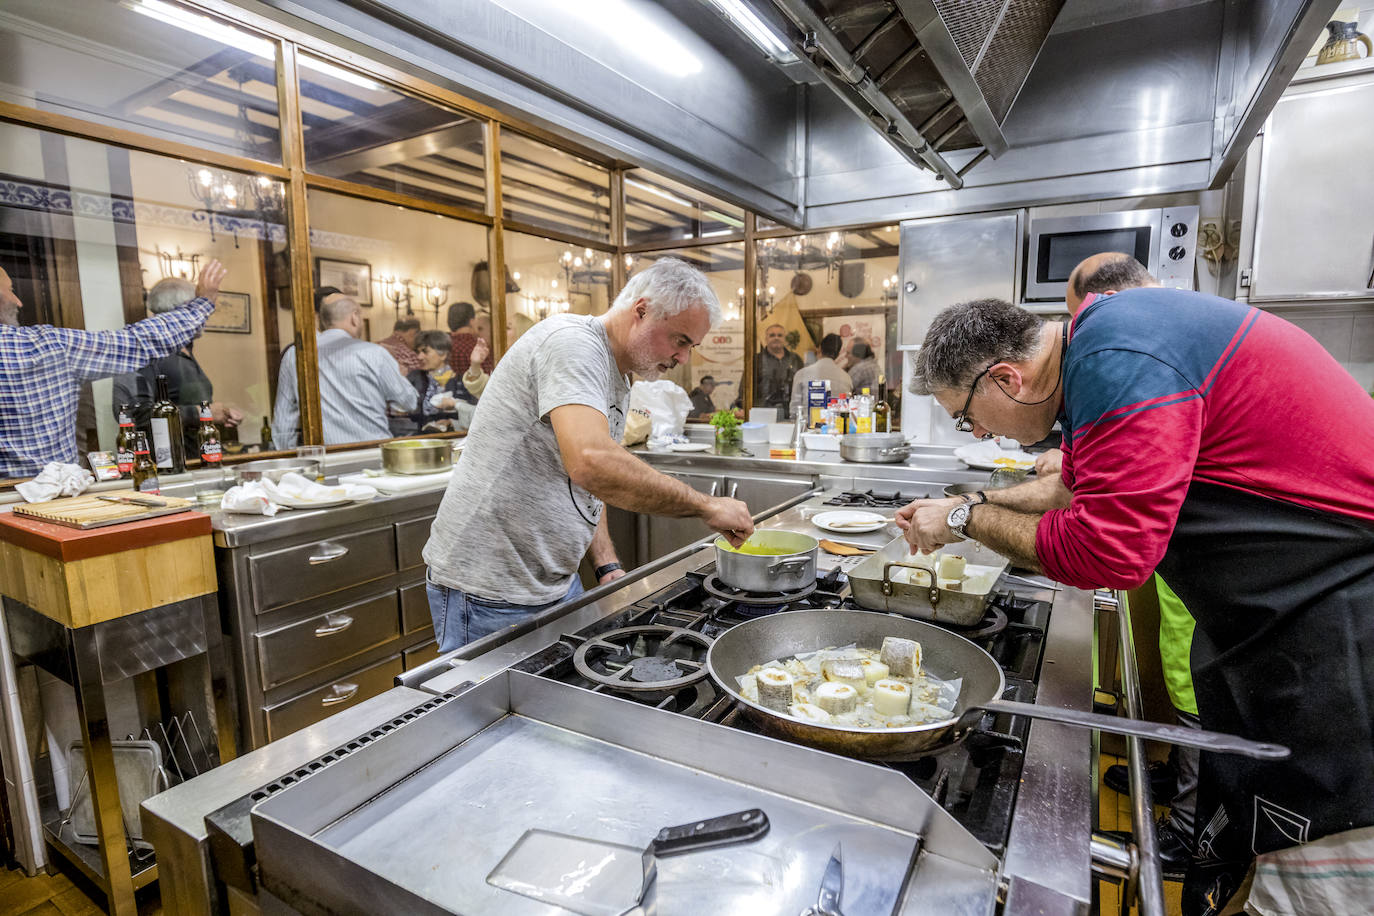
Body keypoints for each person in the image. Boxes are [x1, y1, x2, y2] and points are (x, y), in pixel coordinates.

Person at [894, 290, 1374, 915]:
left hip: (1342, 630)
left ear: (1006, 379)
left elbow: (1107, 554)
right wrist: (967, 506)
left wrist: (964, 518)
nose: (980, 433)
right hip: (1283, 612)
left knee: (1319, 893)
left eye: (967, 417)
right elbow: (1071, 491)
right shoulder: (1102, 344)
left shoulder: (1118, 357)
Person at [423, 257, 755, 651]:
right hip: (490, 589)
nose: (683, 358)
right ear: (642, 310)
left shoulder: (618, 372)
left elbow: (585, 482)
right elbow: (591, 462)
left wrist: (606, 563)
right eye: (680, 341)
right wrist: (706, 506)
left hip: (554, 582)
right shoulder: (573, 345)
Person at [0, 260, 226, 478]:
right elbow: (136, 343)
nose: (18, 302)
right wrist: (203, 303)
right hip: (50, 497)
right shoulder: (42, 347)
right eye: (11, 290)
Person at [111, 277, 244, 456]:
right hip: (168, 465)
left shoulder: (185, 349)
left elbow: (187, 404)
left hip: (200, 459)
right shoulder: (146, 351)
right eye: (198, 308)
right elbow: (133, 415)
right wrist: (202, 413)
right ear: (179, 311)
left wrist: (221, 414)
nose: (205, 316)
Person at [271, 296, 418, 446]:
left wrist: (289, 454)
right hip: (372, 450)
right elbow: (409, 402)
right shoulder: (374, 353)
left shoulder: (294, 355)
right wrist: (398, 376)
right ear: (354, 317)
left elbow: (283, 419)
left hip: (325, 454)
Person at [403, 330, 485, 433]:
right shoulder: (414, 378)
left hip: (455, 436)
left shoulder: (462, 381)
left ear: (443, 355)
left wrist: (452, 422)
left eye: (425, 351)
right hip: (422, 435)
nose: (419, 357)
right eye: (418, 352)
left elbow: (475, 414)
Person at [789, 333, 852, 415]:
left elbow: (794, 409)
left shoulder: (802, 374)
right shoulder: (846, 377)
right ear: (838, 354)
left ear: (819, 349)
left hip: (808, 422)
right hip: (837, 422)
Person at [754, 323, 801, 419]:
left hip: (790, 414)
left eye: (780, 335)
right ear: (766, 339)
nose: (776, 338)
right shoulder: (756, 360)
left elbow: (802, 386)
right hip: (763, 414)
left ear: (784, 339)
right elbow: (745, 389)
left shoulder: (795, 359)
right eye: (772, 335)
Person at [446, 300, 495, 376]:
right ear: (472, 322)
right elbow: (489, 377)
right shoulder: (477, 349)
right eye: (479, 328)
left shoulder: (443, 346)